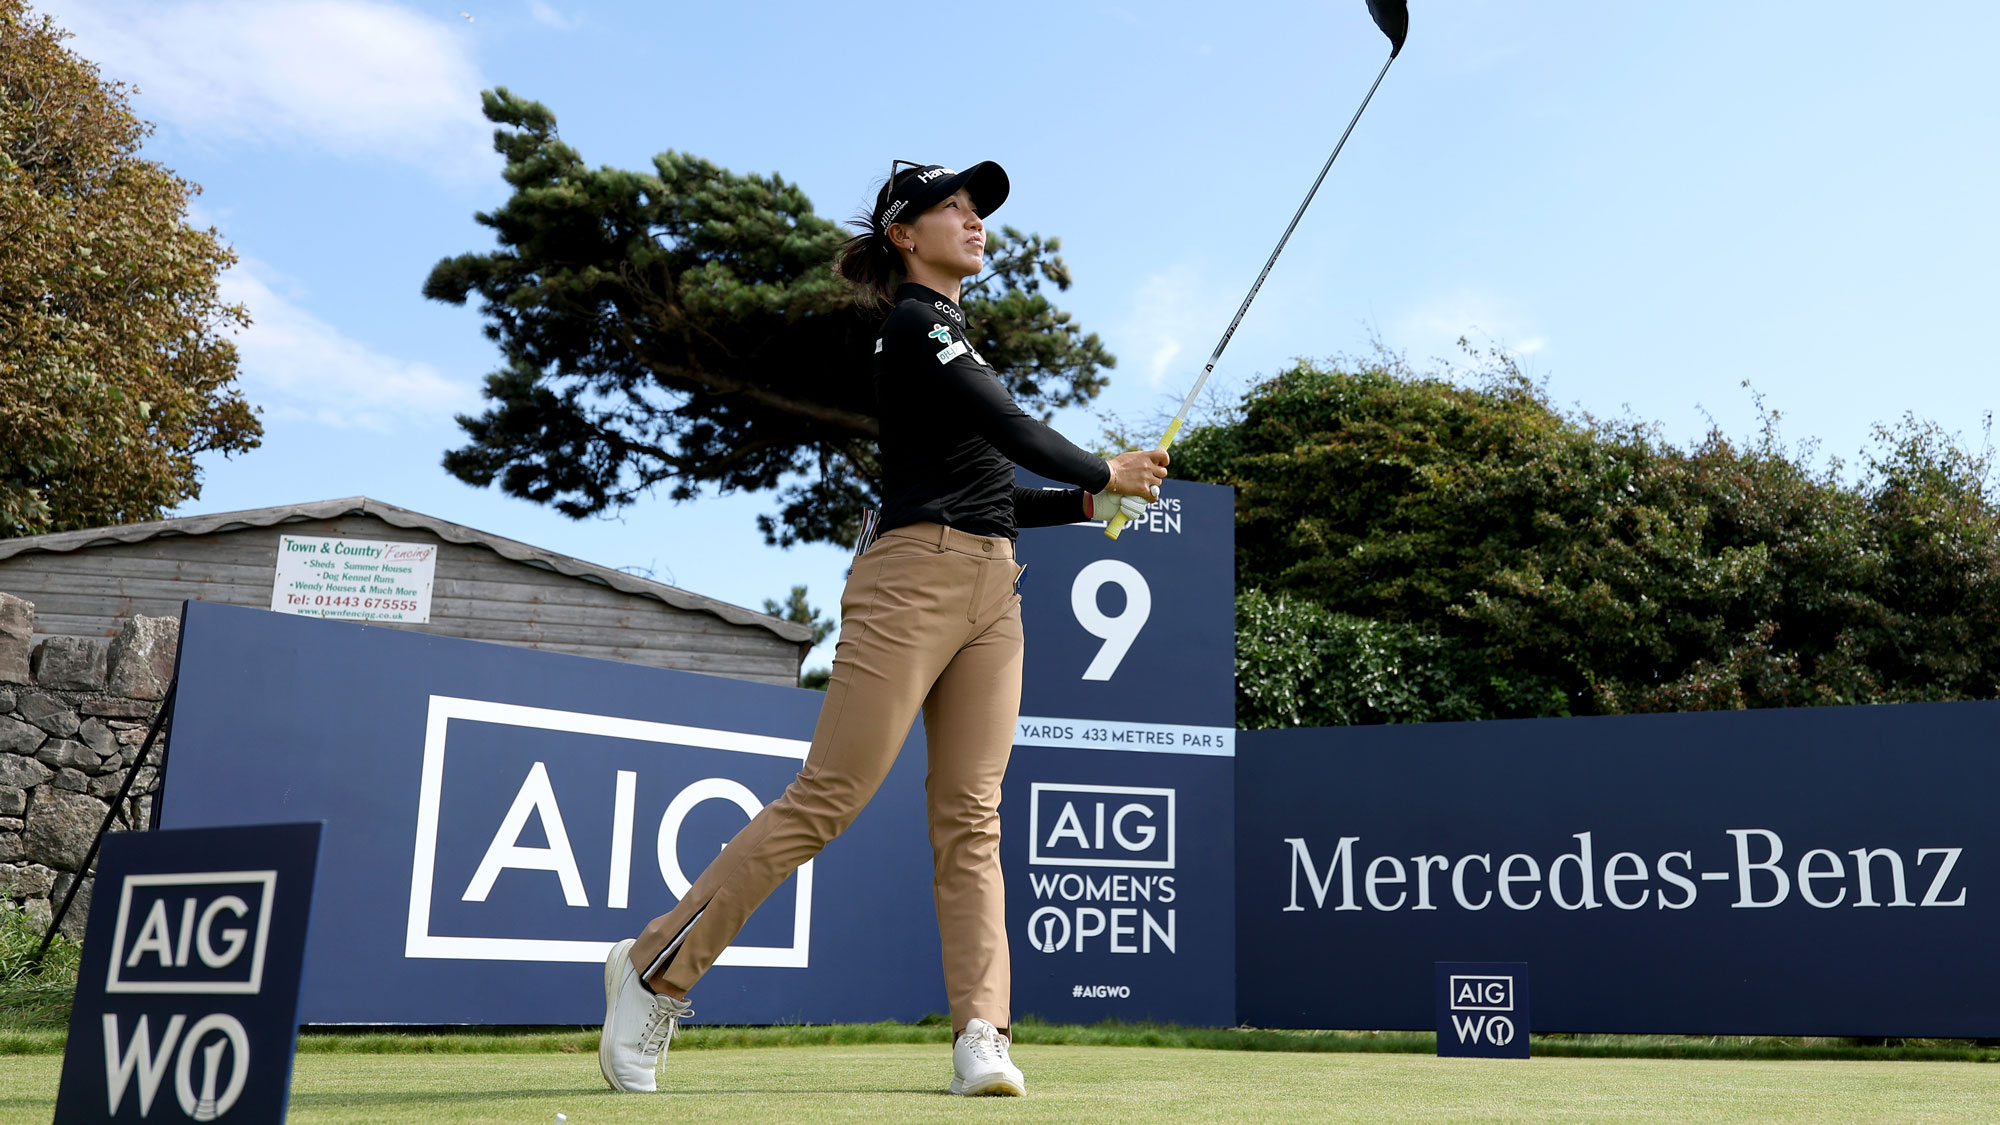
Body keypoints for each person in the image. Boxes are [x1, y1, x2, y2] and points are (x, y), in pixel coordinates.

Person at [599, 160, 1169, 1097]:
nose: (976, 221)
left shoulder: (958, 341)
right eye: (955, 207)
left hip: (994, 589)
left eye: (979, 209)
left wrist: (1086, 499)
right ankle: (654, 966)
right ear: (905, 234)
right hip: (910, 580)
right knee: (829, 795)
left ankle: (983, 1032)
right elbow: (1012, 426)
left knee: (972, 818)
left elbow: (993, 491)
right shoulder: (916, 326)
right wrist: (1106, 471)